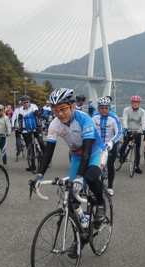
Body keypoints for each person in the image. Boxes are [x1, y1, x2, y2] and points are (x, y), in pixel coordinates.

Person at [30, 88, 108, 238]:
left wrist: (80, 176)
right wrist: (39, 175)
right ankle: (81, 235)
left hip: (96, 153)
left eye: (63, 109)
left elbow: (87, 151)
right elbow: (48, 151)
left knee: (90, 177)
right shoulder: (54, 125)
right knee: (71, 198)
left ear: (73, 106)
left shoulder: (85, 119)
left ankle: (100, 204)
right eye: (56, 110)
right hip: (77, 157)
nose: (59, 114)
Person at [92, 96, 122, 196]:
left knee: (110, 164)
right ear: (98, 108)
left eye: (106, 108)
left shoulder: (113, 117)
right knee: (95, 164)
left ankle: (110, 186)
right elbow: (91, 131)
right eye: (102, 108)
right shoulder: (94, 117)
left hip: (110, 144)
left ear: (109, 108)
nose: (104, 110)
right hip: (98, 145)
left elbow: (119, 132)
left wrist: (111, 143)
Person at [16, 95, 46, 171]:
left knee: (40, 141)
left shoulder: (33, 107)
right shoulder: (21, 110)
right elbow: (20, 120)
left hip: (36, 128)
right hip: (28, 130)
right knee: (30, 148)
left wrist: (39, 125)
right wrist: (20, 128)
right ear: (22, 103)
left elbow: (38, 115)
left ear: (29, 102)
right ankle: (32, 166)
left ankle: (46, 156)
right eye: (24, 102)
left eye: (27, 102)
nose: (26, 104)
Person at [119, 95, 145, 174]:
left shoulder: (142, 111)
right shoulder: (126, 109)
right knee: (125, 144)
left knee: (137, 150)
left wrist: (144, 129)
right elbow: (124, 119)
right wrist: (125, 128)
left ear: (139, 103)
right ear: (131, 103)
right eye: (134, 102)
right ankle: (121, 156)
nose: (135, 104)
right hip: (128, 130)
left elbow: (143, 121)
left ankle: (137, 166)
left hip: (137, 131)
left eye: (137, 103)